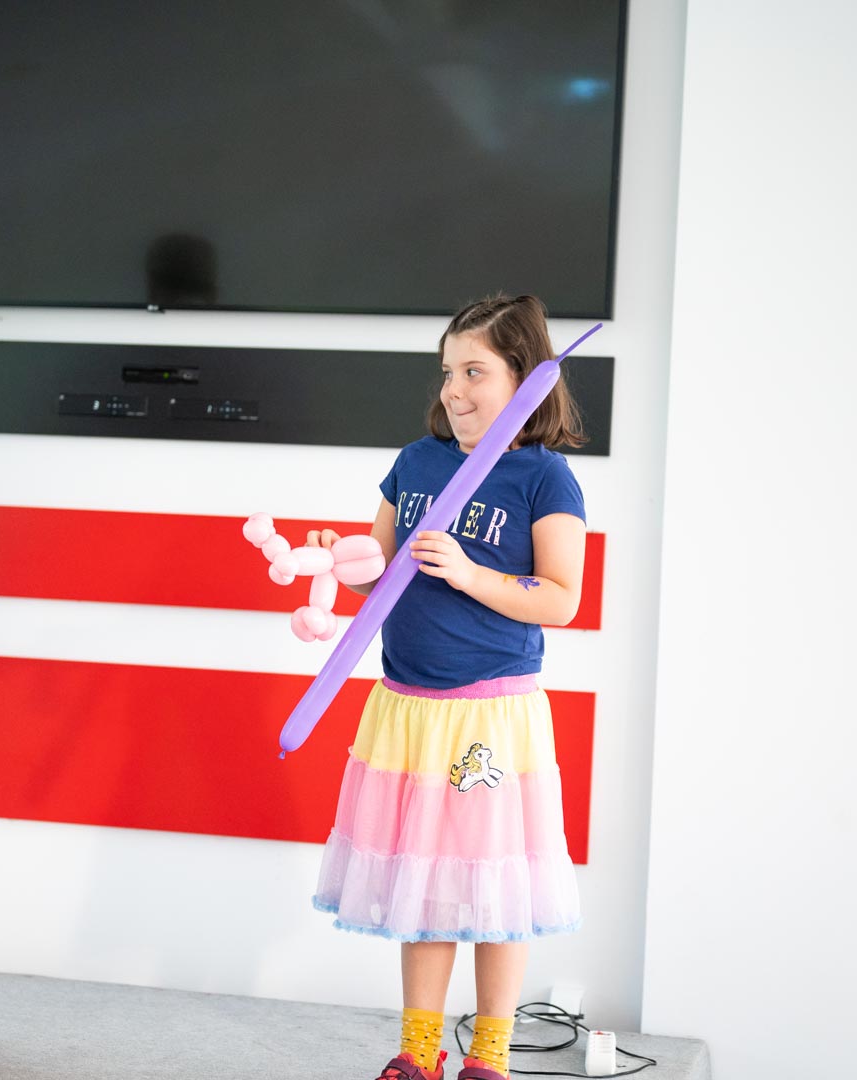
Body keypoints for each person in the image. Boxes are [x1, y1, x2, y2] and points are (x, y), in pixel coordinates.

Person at [307, 295, 588, 1080]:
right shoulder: (416, 461)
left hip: (490, 714)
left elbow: (560, 599)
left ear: (524, 379)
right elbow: (378, 572)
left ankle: (489, 1058)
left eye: (474, 372)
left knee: (496, 887)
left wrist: (469, 573)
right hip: (406, 709)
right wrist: (338, 560)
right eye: (446, 372)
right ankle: (418, 1051)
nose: (453, 391)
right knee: (422, 880)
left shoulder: (544, 477)